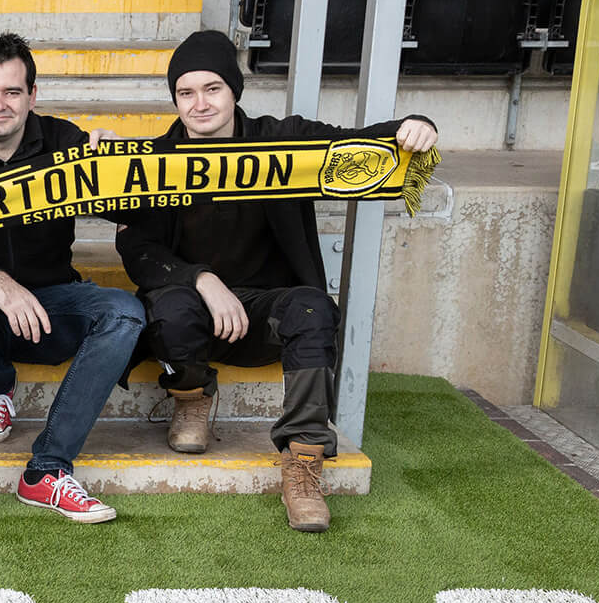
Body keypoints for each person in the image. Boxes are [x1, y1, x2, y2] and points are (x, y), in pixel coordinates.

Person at [118, 29, 438, 532]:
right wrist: (202, 279)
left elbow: (356, 144)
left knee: (313, 308)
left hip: (270, 310)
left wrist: (412, 126)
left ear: (234, 91)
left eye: (212, 89)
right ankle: (191, 398)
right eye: (185, 92)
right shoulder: (156, 160)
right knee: (169, 309)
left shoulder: (281, 138)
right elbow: (137, 250)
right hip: (196, 310)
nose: (199, 104)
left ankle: (303, 460)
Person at [0, 32, 147, 524]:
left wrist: (115, 172)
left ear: (32, 96)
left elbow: (137, 214)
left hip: (50, 311)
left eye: (12, 92)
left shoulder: (64, 141)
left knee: (125, 312)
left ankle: (46, 469)